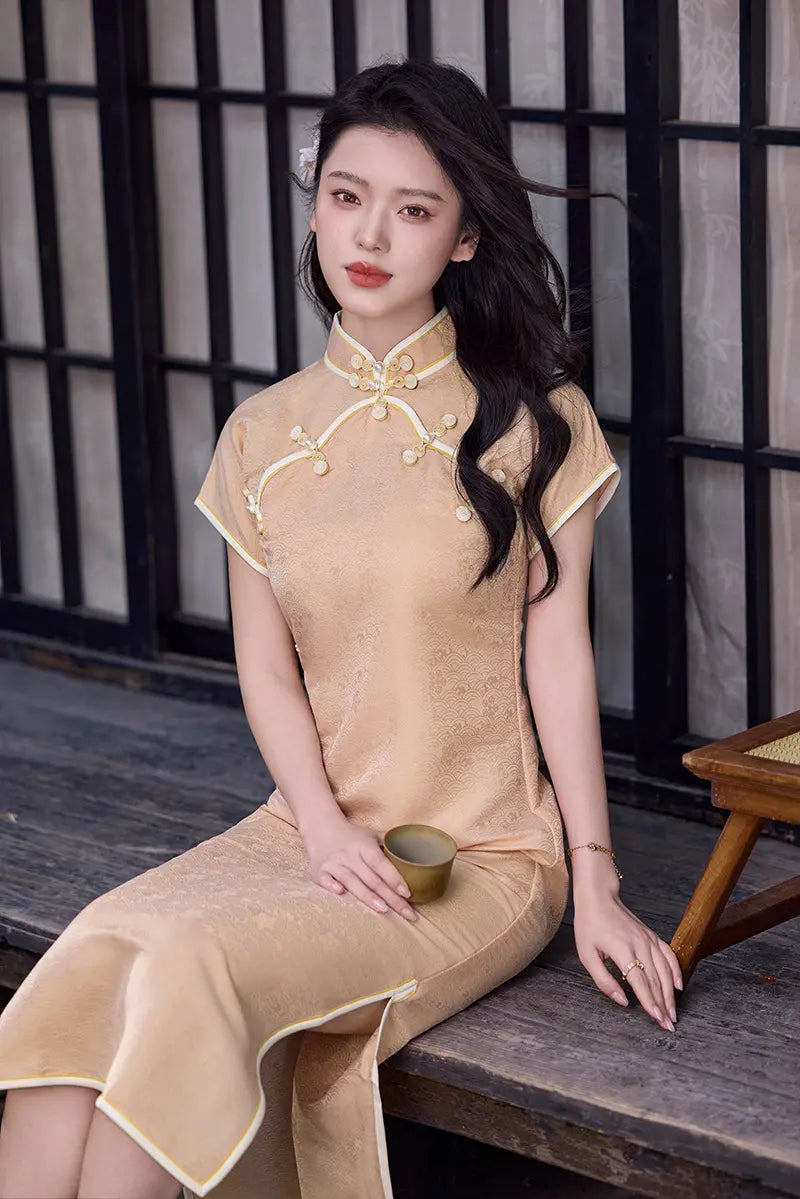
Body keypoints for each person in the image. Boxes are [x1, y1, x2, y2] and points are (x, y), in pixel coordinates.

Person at [0, 57, 682, 1199]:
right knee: (100, 948)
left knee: (180, 964)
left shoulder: (533, 420)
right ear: (314, 204)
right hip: (308, 832)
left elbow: (557, 653)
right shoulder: (260, 433)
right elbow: (264, 668)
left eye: (413, 209)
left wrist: (594, 876)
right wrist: (318, 826)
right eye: (344, 194)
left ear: (463, 238)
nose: (368, 233)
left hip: (477, 856)